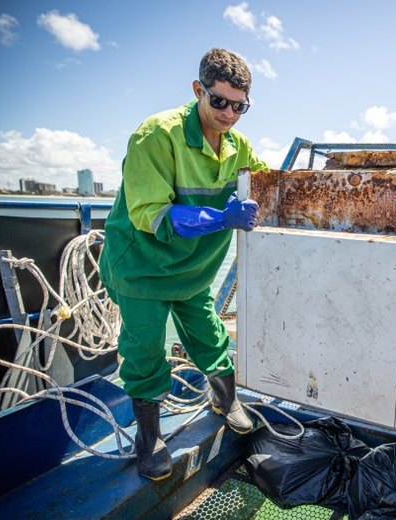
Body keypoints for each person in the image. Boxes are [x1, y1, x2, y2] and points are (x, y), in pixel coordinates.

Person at [99, 48, 269, 481]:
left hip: (193, 272)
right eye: (219, 101)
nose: (230, 113)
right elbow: (152, 215)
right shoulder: (156, 135)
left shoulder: (238, 146)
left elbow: (267, 183)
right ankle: (150, 436)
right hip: (142, 268)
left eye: (240, 105)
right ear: (198, 91)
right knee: (144, 349)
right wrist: (221, 217)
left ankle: (226, 399)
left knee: (210, 337)